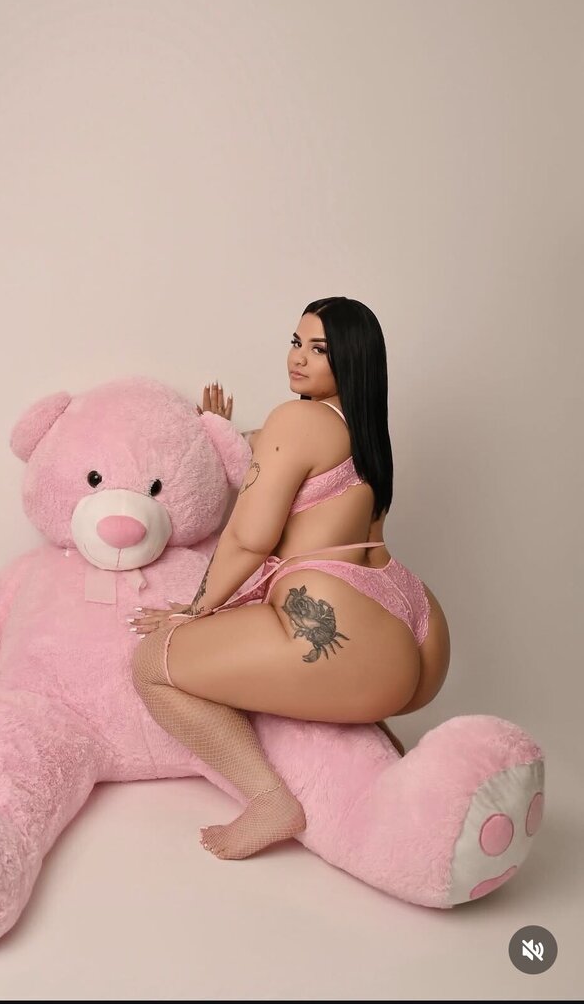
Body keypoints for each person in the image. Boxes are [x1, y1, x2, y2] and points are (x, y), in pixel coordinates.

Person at [129, 297, 450, 860]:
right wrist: (224, 433)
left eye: (319, 349)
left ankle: (269, 799)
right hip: (412, 622)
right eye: (296, 342)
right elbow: (267, 453)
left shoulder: (298, 420)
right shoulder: (365, 431)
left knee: (153, 665)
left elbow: (249, 538)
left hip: (339, 628)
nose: (298, 358)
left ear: (351, 359)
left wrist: (193, 611)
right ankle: (395, 776)